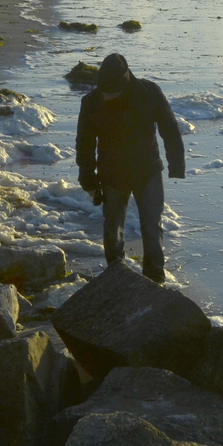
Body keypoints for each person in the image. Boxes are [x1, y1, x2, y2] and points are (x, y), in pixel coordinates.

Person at [75, 54, 185, 282]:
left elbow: (170, 129)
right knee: (113, 229)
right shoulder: (91, 102)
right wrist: (88, 180)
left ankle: (155, 279)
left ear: (124, 85)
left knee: (152, 228)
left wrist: (176, 165)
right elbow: (85, 144)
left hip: (148, 171)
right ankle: (117, 277)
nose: (104, 95)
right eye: (102, 89)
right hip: (112, 175)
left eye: (110, 91)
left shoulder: (149, 93)